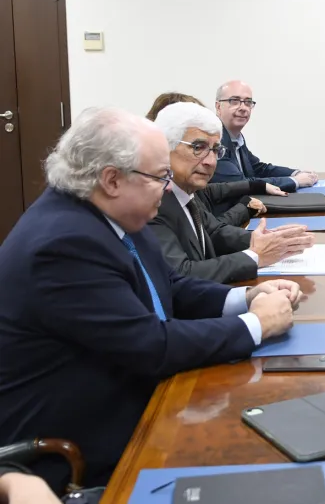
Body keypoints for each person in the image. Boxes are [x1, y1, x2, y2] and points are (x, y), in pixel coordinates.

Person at [0, 107, 300, 491]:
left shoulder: (111, 211)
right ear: (111, 179)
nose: (168, 185)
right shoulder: (62, 244)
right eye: (160, 176)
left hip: (144, 402)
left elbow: (170, 286)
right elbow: (151, 345)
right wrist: (258, 324)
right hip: (87, 450)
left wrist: (247, 296)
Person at [150, 102, 314, 283]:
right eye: (198, 147)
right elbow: (181, 274)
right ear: (165, 147)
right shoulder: (153, 202)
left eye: (215, 150)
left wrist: (268, 239)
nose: (211, 162)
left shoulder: (186, 192)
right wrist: (255, 256)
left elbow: (214, 233)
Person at [145, 91, 283, 228]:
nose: (210, 161)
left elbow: (211, 195)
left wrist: (257, 186)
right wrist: (245, 207)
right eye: (198, 147)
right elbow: (211, 234)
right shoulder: (154, 199)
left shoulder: (184, 184)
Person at [209, 80, 319, 213]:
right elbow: (242, 183)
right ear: (218, 106)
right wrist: (294, 181)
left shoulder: (235, 137)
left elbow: (259, 168)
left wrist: (296, 173)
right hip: (223, 219)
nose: (243, 107)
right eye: (235, 101)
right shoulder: (214, 140)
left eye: (248, 102)